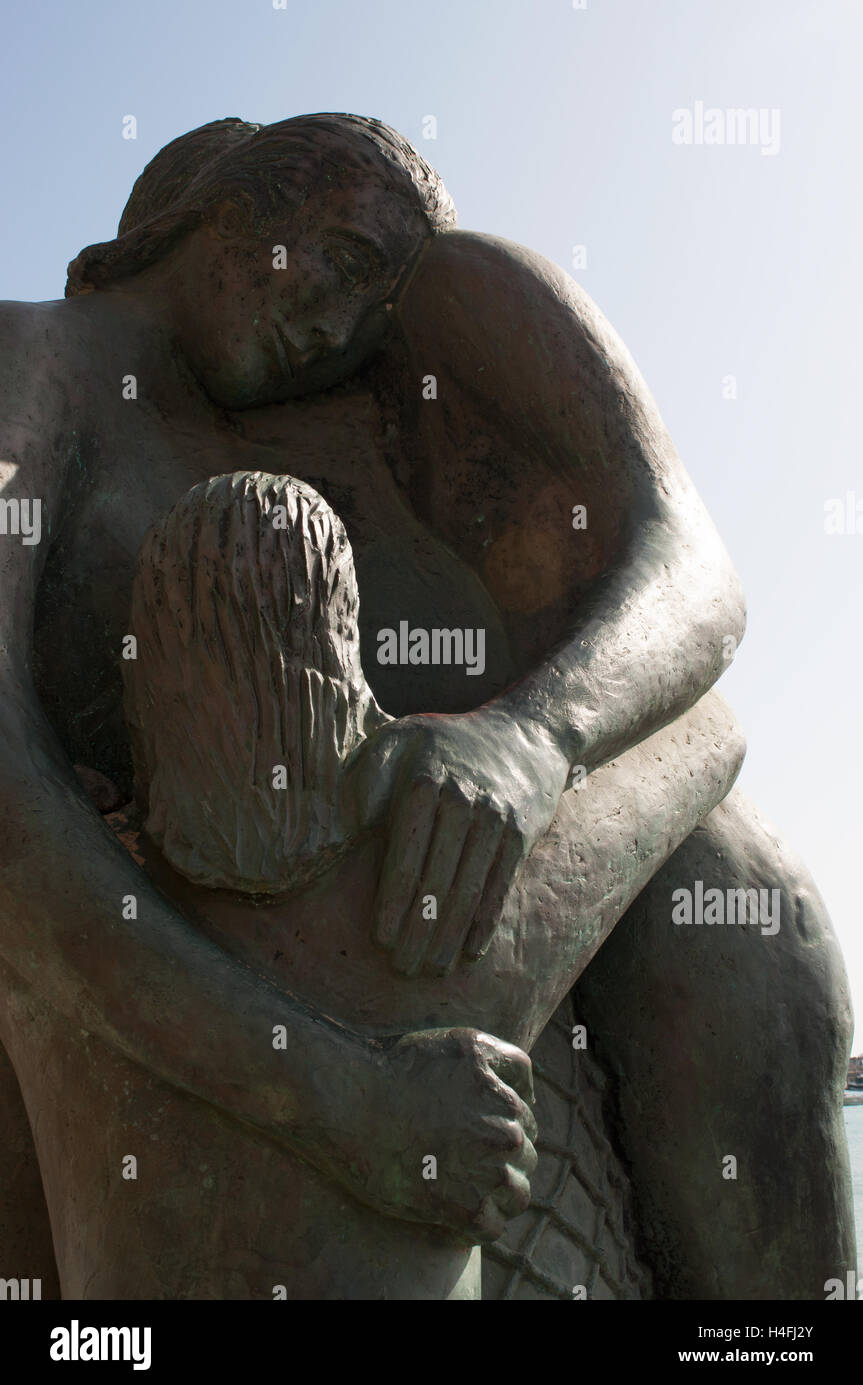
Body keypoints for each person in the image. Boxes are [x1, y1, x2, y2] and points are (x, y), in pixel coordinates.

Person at [0, 114, 852, 1299]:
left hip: (452, 880)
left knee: (744, 908)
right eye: (340, 261)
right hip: (192, 945)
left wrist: (534, 735)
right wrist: (339, 1096)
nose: (337, 330)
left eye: (372, 306)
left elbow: (694, 580)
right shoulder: (32, 357)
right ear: (223, 211)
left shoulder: (368, 415)